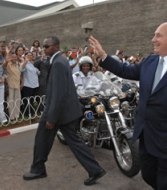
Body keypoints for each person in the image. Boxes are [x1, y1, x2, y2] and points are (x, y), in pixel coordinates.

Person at [89, 21, 167, 190]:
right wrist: (104, 56)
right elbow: (126, 71)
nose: (153, 39)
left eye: (158, 35)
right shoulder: (150, 61)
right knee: (148, 175)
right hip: (146, 136)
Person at [23, 36, 106, 186]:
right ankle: (95, 170)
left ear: (55, 47)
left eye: (46, 46)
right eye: (43, 46)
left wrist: (51, 118)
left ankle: (38, 169)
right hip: (64, 111)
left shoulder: (59, 63)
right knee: (73, 142)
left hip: (59, 112)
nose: (43, 48)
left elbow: (58, 93)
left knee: (43, 139)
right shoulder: (57, 61)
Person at [3, 51, 23, 121]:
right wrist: (7, 60)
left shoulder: (18, 64)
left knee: (17, 101)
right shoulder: (8, 64)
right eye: (12, 57)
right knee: (11, 101)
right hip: (10, 85)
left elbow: (20, 74)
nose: (14, 58)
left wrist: (22, 82)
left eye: (15, 57)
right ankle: (12, 117)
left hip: (17, 85)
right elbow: (4, 66)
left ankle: (17, 116)